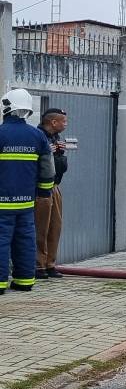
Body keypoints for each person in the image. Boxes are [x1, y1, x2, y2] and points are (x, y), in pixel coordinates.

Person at [0, 89, 54, 295]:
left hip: (1, 203)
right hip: (26, 203)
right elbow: (48, 169)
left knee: (1, 241)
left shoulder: (1, 134)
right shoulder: (37, 136)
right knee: (25, 240)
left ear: (6, 107)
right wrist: (44, 192)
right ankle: (24, 281)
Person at [34, 108, 68, 279]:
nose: (65, 124)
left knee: (55, 227)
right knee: (41, 227)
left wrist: (60, 153)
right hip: (41, 188)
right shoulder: (37, 137)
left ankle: (50, 264)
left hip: (55, 186)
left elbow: (61, 167)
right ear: (53, 122)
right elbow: (36, 163)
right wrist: (49, 151)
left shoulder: (56, 138)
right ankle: (38, 265)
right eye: (63, 121)